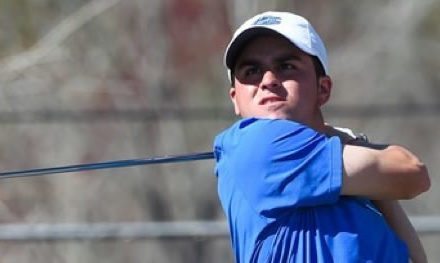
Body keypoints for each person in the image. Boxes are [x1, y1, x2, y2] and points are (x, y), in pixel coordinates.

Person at [213, 11, 430, 262]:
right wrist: (353, 146)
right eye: (252, 71)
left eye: (286, 67)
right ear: (235, 99)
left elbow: (416, 257)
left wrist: (346, 144)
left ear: (323, 88)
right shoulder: (259, 145)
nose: (268, 81)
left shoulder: (337, 166)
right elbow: (412, 171)